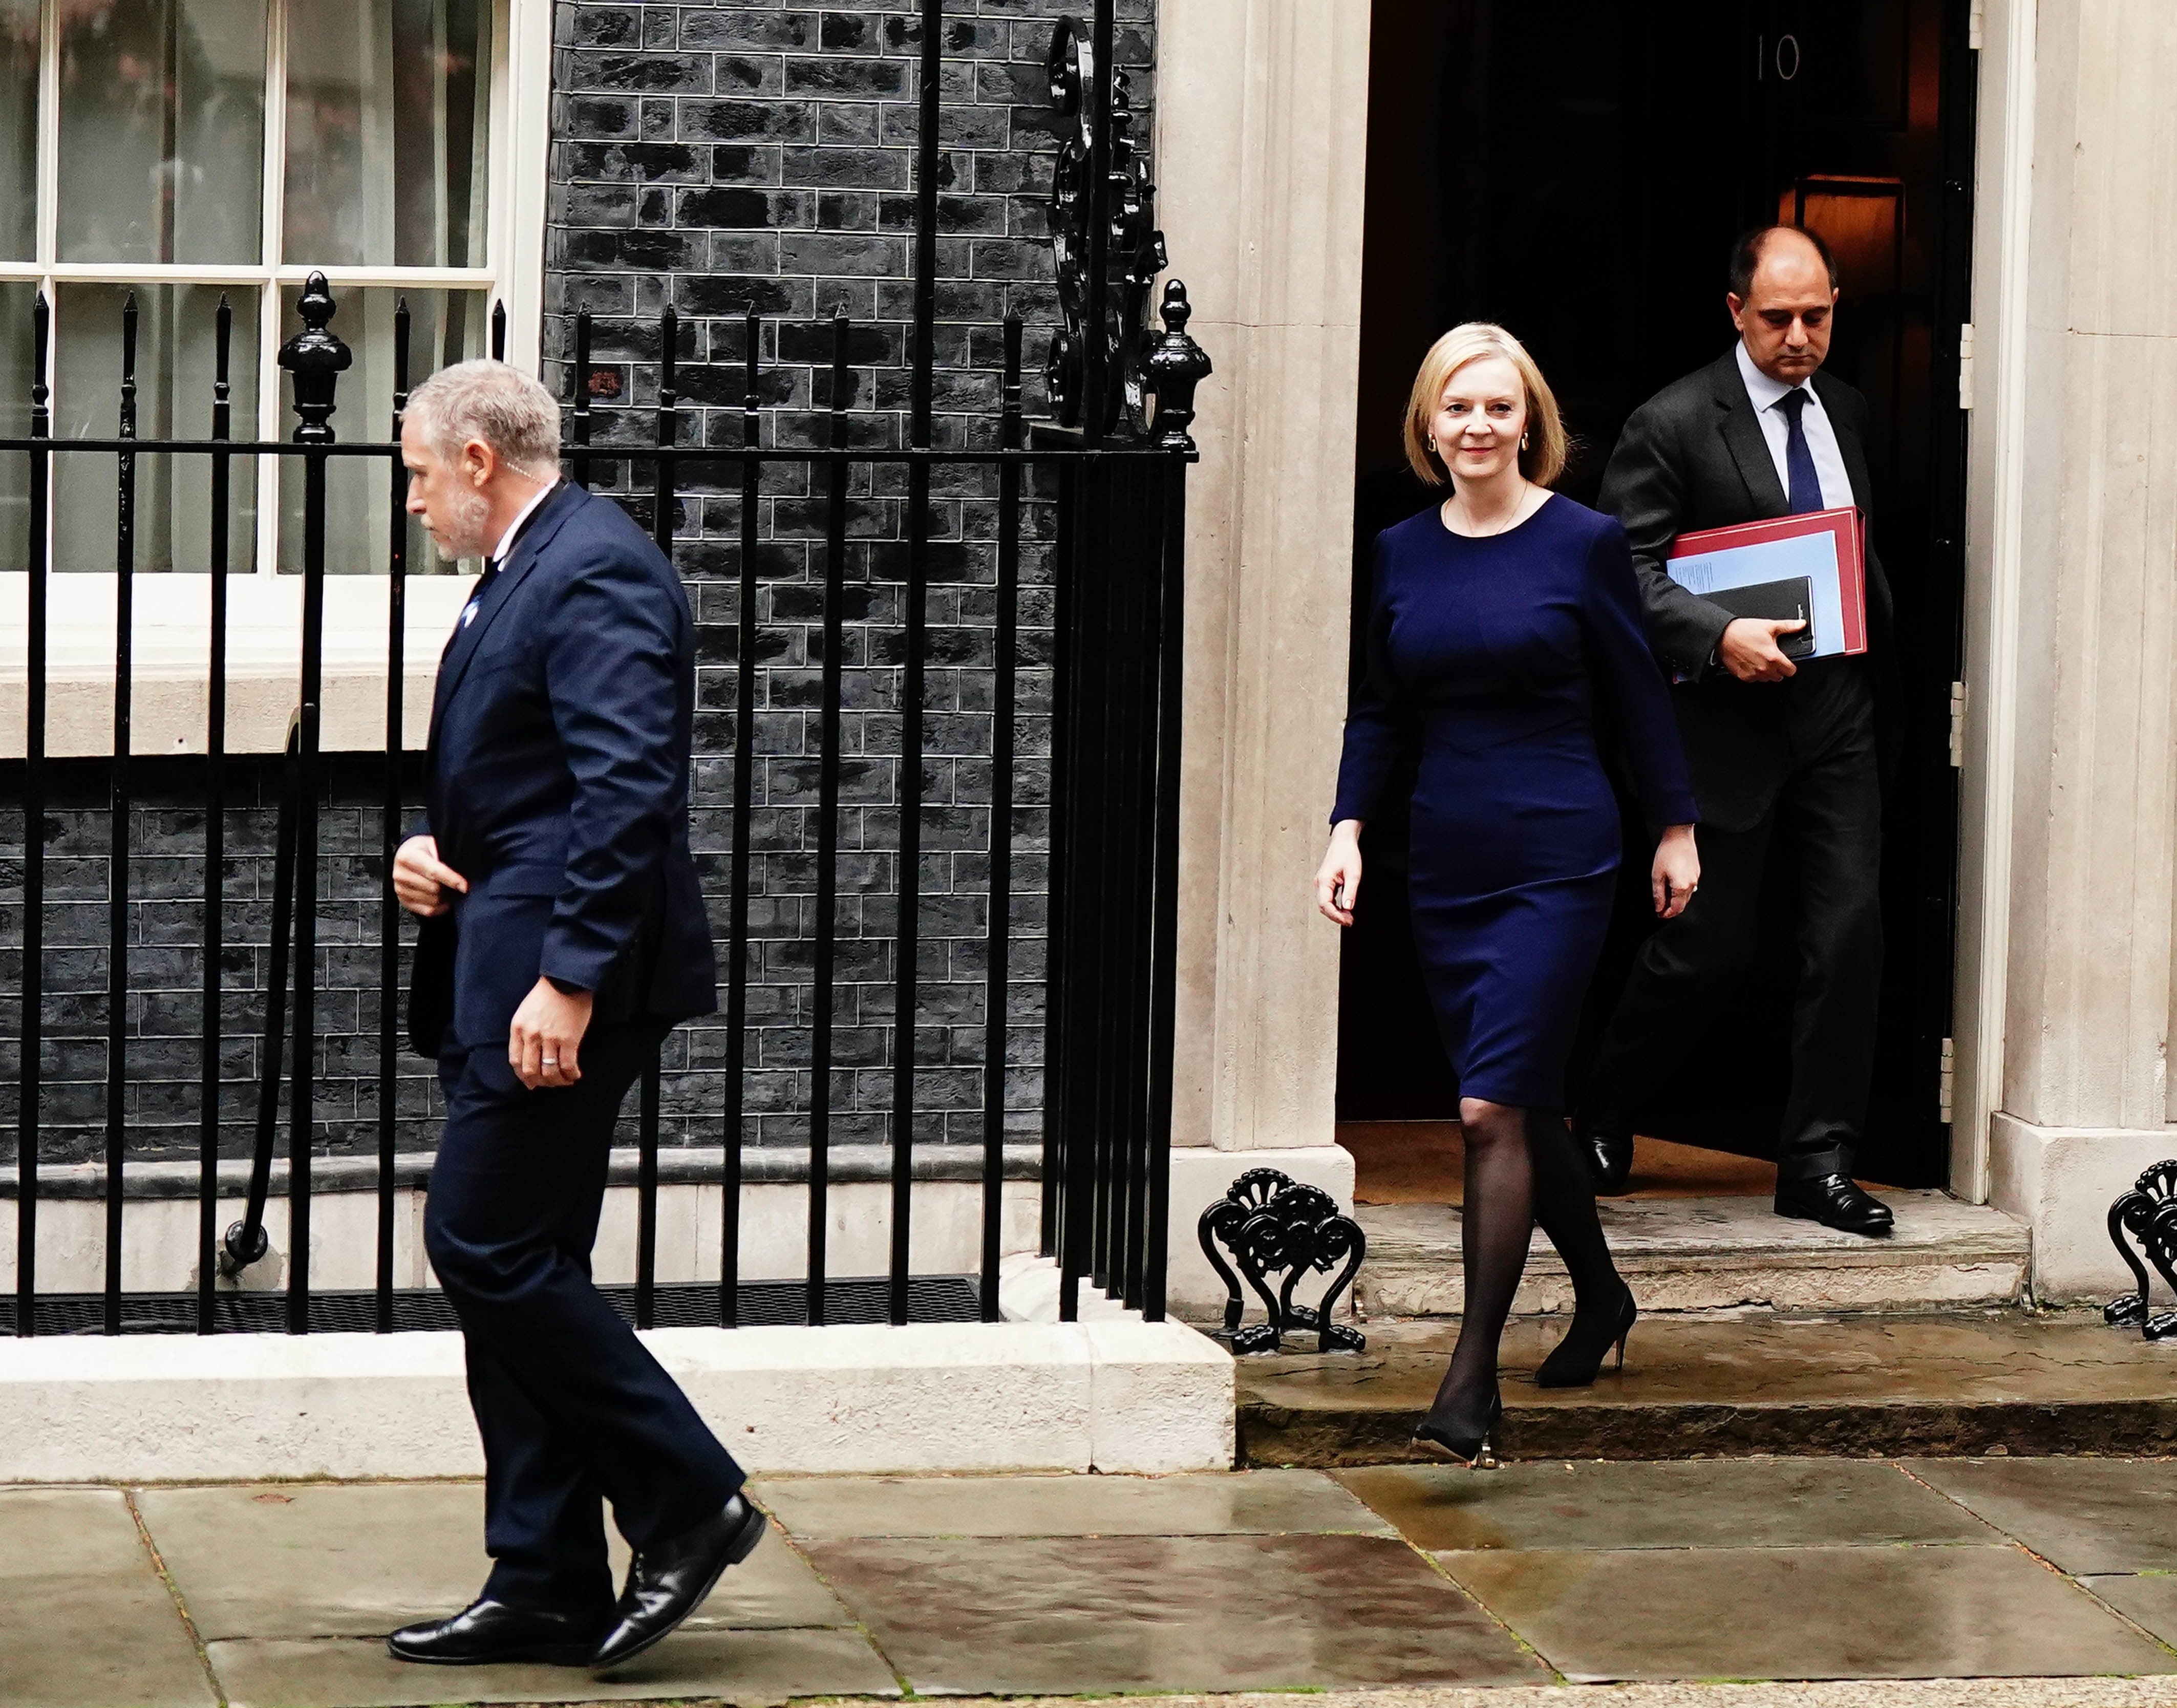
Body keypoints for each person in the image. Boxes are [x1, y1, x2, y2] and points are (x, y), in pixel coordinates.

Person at [385, 360, 761, 1671]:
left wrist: (571, 973)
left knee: (483, 1243)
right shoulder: (529, 569)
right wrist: (436, 850)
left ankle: (686, 1499)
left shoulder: (592, 567)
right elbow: (539, 778)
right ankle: (543, 1574)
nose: (419, 506)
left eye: (422, 478)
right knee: (522, 1264)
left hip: (557, 981)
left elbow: (626, 789)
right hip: (507, 947)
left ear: (479, 461)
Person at [1315, 324, 1699, 1466]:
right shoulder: (1398, 552)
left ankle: (1468, 1383)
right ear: (1426, 426)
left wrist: (1673, 827)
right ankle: (1600, 1295)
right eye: (1454, 408)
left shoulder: (1583, 544)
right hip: (1446, 857)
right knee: (1522, 1102)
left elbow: (1636, 695)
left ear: (1527, 420)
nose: (1475, 427)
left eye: (1495, 407)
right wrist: (1348, 829)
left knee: (1485, 1110)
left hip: (1557, 853)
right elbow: (1379, 705)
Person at [1577, 226, 1896, 1239]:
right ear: (1732, 313)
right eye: (1777, 319)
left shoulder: (1845, 410)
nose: (1799, 337)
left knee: (1845, 937)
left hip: (1833, 712)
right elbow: (1618, 573)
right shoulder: (1670, 423)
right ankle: (1598, 1111)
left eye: (1816, 316)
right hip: (1719, 724)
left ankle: (1816, 1161)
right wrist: (1718, 636)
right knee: (1701, 950)